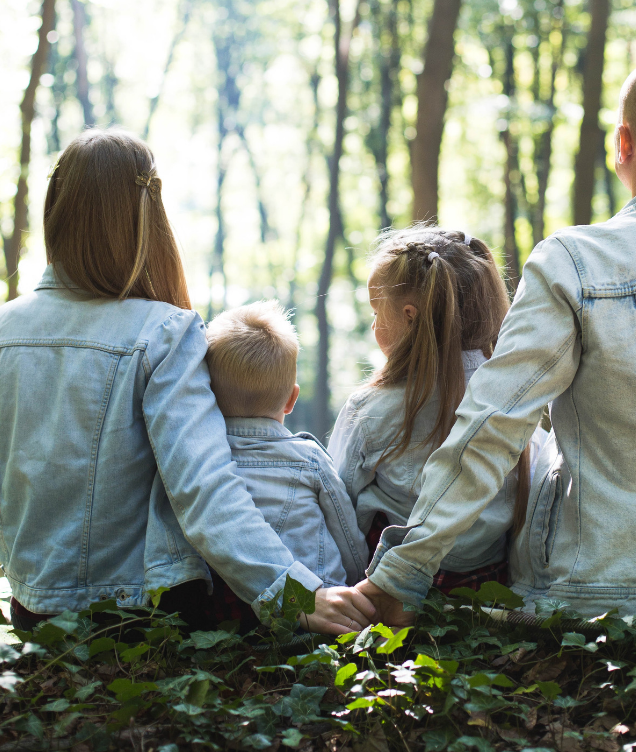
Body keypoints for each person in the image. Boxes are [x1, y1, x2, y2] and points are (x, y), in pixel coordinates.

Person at [357, 55, 636, 623]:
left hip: (597, 597)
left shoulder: (574, 262)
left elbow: (493, 424)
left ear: (622, 143)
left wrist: (402, 573)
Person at [0, 128, 374, 635]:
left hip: (31, 611)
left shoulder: (5, 327)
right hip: (132, 616)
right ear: (147, 215)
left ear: (55, 209)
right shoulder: (163, 332)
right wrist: (296, 595)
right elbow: (204, 489)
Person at [329, 227, 546, 593]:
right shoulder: (516, 403)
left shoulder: (370, 409)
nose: (373, 324)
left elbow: (337, 503)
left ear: (409, 316)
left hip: (386, 590)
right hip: (486, 589)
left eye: (376, 310)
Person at [203, 301, 368, 630]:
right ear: (292, 399)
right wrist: (356, 582)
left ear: (207, 394)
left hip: (231, 615)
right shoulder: (308, 458)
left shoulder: (202, 461)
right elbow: (347, 536)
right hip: (317, 610)